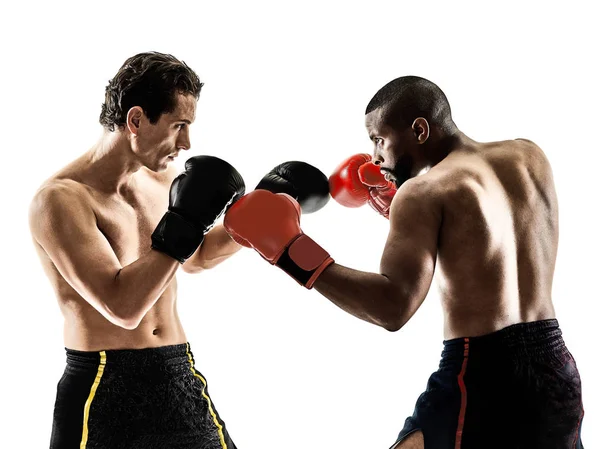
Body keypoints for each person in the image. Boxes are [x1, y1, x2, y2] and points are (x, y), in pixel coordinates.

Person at [223, 76, 585, 448]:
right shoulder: (528, 155)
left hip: (480, 375)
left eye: (379, 139)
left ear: (419, 129)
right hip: (556, 369)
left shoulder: (423, 192)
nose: (377, 156)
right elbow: (488, 237)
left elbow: (392, 307)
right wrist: (402, 212)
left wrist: (289, 249)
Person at [28, 51, 329, 449]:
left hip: (175, 370)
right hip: (103, 383)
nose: (186, 143)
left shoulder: (161, 178)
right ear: (136, 120)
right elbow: (122, 307)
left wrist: (263, 207)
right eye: (178, 126)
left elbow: (196, 255)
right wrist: (186, 222)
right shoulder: (61, 201)